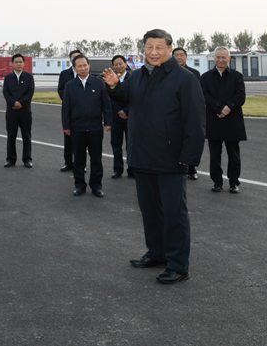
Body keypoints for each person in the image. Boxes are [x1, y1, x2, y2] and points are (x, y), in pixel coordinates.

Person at [104, 29, 205, 285]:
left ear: (170, 49)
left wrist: (189, 157)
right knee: (150, 211)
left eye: (159, 47)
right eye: (149, 47)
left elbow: (195, 121)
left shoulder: (185, 79)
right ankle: (157, 253)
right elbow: (126, 98)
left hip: (171, 158)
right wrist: (115, 87)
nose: (154, 52)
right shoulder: (137, 76)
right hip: (142, 154)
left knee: (174, 214)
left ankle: (178, 265)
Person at [61, 55, 111, 197]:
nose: (83, 68)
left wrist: (108, 122)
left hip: (95, 128)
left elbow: (106, 104)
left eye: (85, 65)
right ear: (75, 68)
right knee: (78, 159)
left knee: (96, 159)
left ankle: (96, 186)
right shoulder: (70, 85)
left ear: (89, 66)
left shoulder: (98, 83)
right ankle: (79, 185)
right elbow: (66, 108)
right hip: (77, 128)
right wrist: (66, 126)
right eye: (79, 66)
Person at [200, 47, 246, 194]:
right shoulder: (205, 77)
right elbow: (204, 96)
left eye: (223, 57)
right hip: (214, 120)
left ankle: (234, 182)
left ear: (229, 59)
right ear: (214, 58)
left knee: (234, 155)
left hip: (233, 120)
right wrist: (219, 108)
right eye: (218, 57)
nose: (221, 60)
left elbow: (240, 96)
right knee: (215, 155)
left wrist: (228, 107)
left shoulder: (237, 76)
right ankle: (217, 182)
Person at [173, 47, 202, 180]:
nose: (179, 57)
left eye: (181, 55)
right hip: (174, 113)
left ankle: (192, 168)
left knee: (190, 140)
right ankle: (177, 166)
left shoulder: (194, 73)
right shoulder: (169, 73)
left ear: (186, 57)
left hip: (189, 112)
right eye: (176, 55)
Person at [2, 53, 34, 168]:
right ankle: (10, 159)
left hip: (25, 112)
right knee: (11, 136)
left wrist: (21, 103)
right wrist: (13, 103)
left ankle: (27, 159)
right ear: (12, 64)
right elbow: (5, 92)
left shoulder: (29, 77)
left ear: (24, 64)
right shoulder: (8, 78)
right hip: (11, 112)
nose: (19, 64)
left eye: (20, 62)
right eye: (16, 62)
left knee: (26, 136)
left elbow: (30, 92)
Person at [56, 50, 83, 171]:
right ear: (70, 60)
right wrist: (69, 100)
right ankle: (68, 163)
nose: (75, 59)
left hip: (82, 110)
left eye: (78, 57)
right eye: (73, 57)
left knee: (82, 139)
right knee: (68, 137)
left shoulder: (85, 72)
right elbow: (60, 89)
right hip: (68, 110)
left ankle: (80, 164)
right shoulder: (64, 74)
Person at [109, 55, 132, 179]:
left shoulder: (133, 78)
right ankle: (117, 169)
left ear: (125, 64)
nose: (118, 66)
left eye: (120, 63)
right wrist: (119, 110)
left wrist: (126, 111)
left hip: (131, 117)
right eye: (115, 64)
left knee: (131, 144)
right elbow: (108, 97)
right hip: (116, 117)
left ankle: (132, 168)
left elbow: (136, 97)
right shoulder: (109, 78)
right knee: (116, 144)